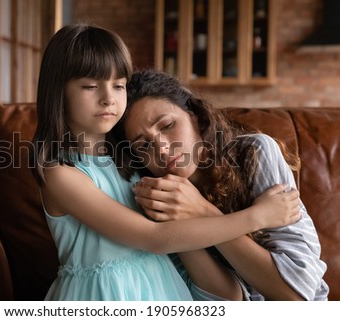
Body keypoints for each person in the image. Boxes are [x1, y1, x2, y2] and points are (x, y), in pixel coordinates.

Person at [32, 24, 301, 301]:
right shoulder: (60, 174)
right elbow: (156, 237)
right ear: (58, 92)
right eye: (90, 86)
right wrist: (256, 217)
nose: (108, 99)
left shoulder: (136, 166)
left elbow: (227, 293)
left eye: (119, 85)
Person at [114, 69, 329, 300]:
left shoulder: (253, 153)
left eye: (167, 126)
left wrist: (202, 211)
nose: (162, 149)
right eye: (143, 145)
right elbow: (225, 301)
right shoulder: (157, 199)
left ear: (194, 115)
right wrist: (185, 219)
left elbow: (297, 296)